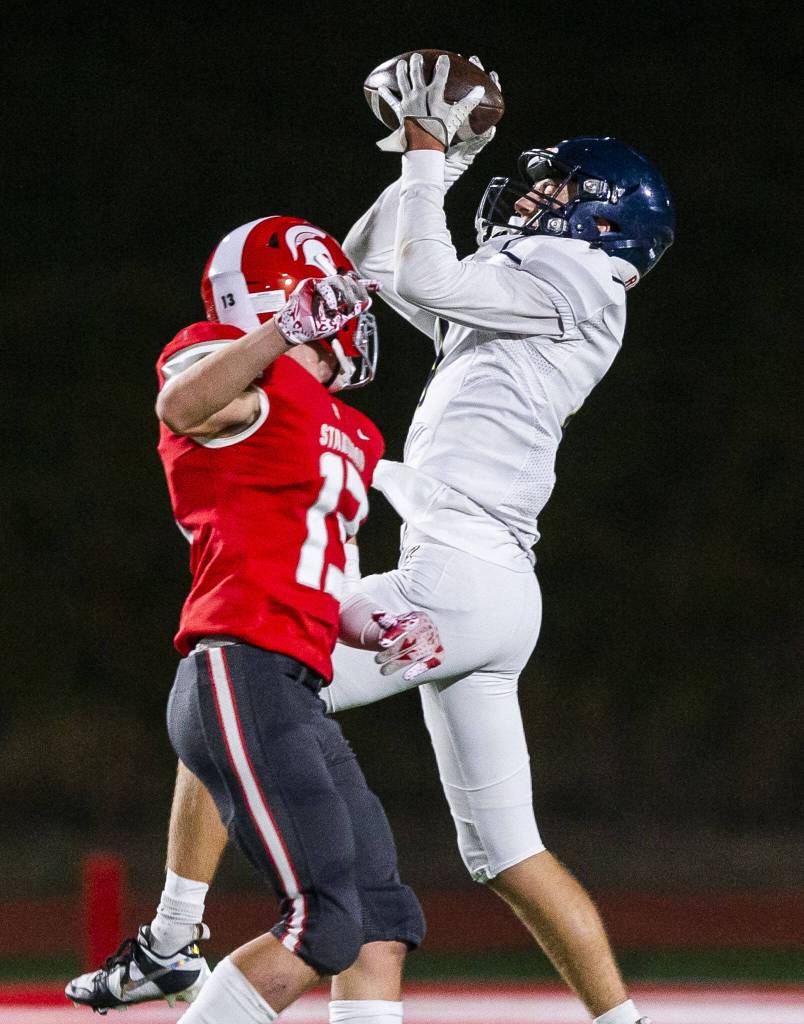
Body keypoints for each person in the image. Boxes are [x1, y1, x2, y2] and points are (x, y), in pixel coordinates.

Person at [319, 54, 674, 1024]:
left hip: (461, 575)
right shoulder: (525, 287)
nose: (532, 193)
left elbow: (422, 264)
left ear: (604, 215)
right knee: (508, 854)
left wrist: (436, 154)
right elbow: (374, 263)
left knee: (250, 674)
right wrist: (424, 156)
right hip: (489, 583)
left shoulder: (578, 271)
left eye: (556, 185)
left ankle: (176, 927)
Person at [65, 216, 442, 1024]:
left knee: (380, 917)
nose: (350, 322)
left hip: (293, 683)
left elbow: (326, 578)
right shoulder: (235, 372)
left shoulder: (355, 428)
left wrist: (382, 623)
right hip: (240, 673)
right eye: (328, 303)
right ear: (285, 299)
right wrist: (283, 331)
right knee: (324, 922)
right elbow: (182, 403)